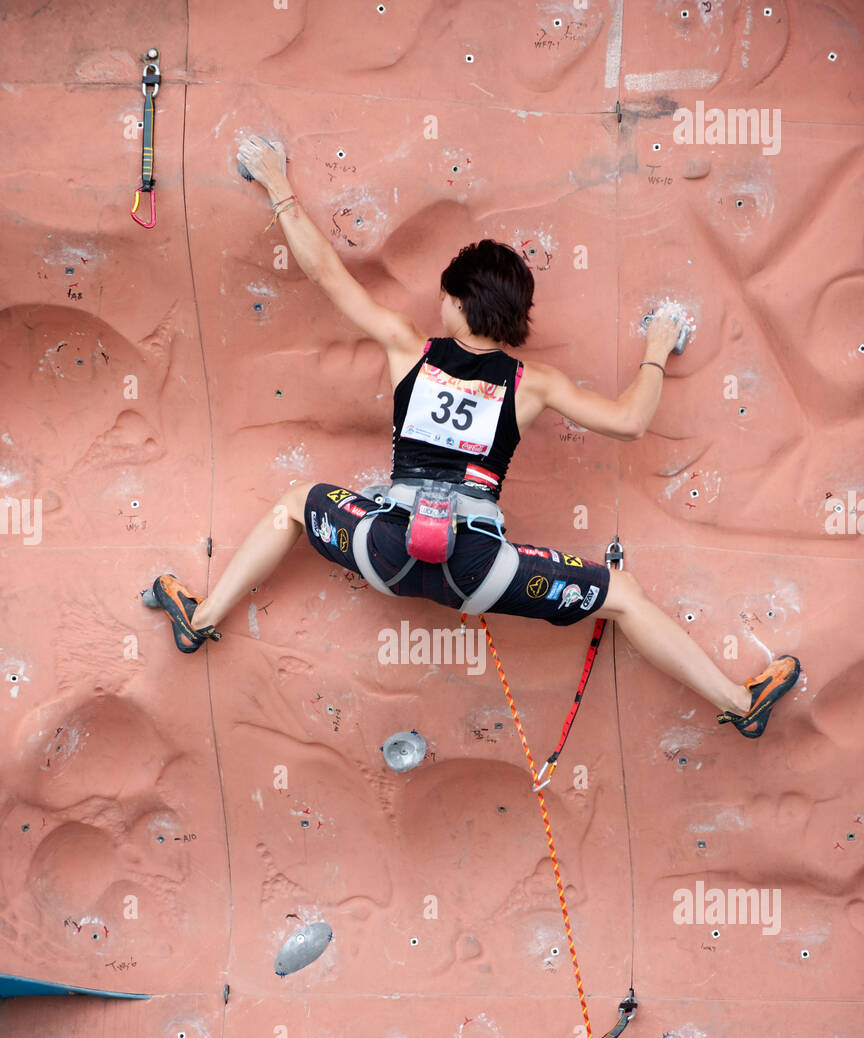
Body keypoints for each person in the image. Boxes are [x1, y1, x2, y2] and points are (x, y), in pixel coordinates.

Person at [147, 135, 800, 738]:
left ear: (461, 303)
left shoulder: (409, 350)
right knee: (621, 597)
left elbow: (326, 275)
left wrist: (274, 181)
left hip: (385, 552)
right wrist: (657, 346)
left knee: (295, 503)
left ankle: (199, 622)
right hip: (479, 573)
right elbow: (630, 422)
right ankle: (741, 705)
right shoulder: (533, 383)